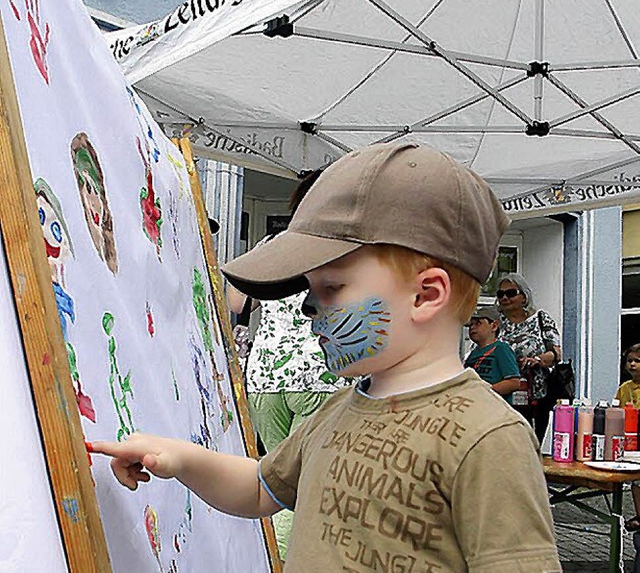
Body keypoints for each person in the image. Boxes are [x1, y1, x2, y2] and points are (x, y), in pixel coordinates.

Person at [91, 142, 561, 572]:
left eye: (330, 288)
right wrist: (178, 457)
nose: (308, 308)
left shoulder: (488, 437)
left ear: (426, 294)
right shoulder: (340, 408)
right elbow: (260, 487)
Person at [227, 170, 349, 560]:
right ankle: (277, 560)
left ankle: (268, 555)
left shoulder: (271, 243)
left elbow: (236, 302)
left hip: (265, 376)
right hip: (321, 372)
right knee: (304, 480)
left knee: (274, 476)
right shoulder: (341, 244)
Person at [496, 273, 562, 444]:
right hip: (503, 394)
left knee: (531, 443)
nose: (504, 298)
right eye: (500, 294)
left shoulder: (540, 318)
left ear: (524, 297)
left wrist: (537, 360)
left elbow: (555, 354)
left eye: (510, 293)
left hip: (536, 395)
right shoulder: (495, 323)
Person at [464, 306, 520, 404]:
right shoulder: (472, 354)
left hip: (496, 408)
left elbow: (513, 382)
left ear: (494, 326)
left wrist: (487, 392)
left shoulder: (501, 349)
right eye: (470, 325)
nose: (472, 327)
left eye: (478, 323)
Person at [616, 345, 640, 533]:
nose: (632, 364)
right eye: (629, 361)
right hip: (631, 438)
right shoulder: (625, 388)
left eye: (637, 361)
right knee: (636, 480)